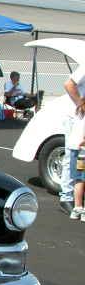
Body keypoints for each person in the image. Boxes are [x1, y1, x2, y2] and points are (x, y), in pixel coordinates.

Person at [59, 69, 85, 213]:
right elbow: (68, 84)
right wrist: (81, 104)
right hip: (75, 117)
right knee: (71, 156)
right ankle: (66, 197)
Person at [67, 114, 85, 220]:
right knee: (82, 179)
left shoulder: (79, 111)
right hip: (83, 149)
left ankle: (77, 208)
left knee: (79, 179)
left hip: (75, 148)